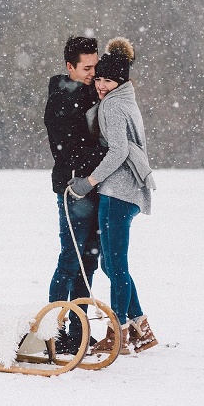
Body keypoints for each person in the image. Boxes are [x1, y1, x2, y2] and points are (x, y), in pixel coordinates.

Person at [67, 37, 158, 354]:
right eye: (100, 79)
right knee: (111, 263)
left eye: (109, 80)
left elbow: (118, 151)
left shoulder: (113, 106)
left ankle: (116, 333)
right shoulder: (124, 100)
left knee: (115, 264)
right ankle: (140, 329)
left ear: (120, 81)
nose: (102, 85)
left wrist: (88, 181)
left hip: (119, 191)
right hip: (127, 189)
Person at [43, 36, 106, 354]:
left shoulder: (91, 92)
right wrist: (98, 161)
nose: (93, 72)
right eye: (87, 67)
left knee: (89, 262)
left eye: (96, 66)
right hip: (74, 189)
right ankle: (51, 333)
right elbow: (67, 149)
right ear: (70, 67)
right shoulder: (62, 99)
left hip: (95, 187)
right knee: (70, 260)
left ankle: (78, 331)